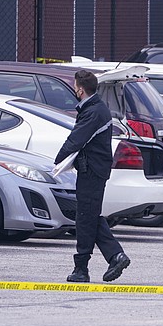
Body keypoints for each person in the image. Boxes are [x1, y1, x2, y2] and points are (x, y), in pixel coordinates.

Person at [55, 70, 130, 283]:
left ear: (80, 89)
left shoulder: (94, 111)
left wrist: (57, 161)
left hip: (92, 171)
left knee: (85, 217)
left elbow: (76, 139)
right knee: (88, 215)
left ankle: (83, 268)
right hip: (93, 170)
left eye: (75, 85)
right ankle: (115, 256)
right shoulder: (94, 108)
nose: (74, 89)